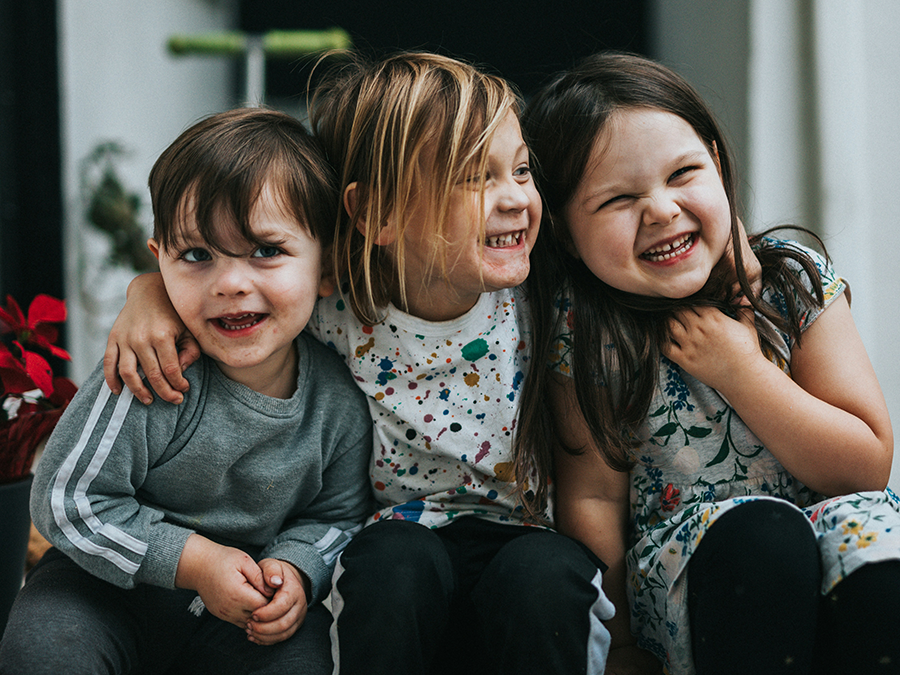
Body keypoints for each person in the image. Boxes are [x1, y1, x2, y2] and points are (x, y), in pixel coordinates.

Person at [95, 52, 623, 675]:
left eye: (521, 170)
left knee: (547, 575)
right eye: (476, 178)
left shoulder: (545, 299)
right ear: (377, 215)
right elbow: (244, 289)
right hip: (396, 539)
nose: (514, 198)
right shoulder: (341, 305)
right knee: (391, 564)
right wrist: (148, 293)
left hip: (524, 540)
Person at [518, 51, 900, 675]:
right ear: (564, 233)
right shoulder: (586, 331)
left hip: (829, 529)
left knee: (881, 554)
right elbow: (592, 498)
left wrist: (742, 372)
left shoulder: (790, 285)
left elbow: (864, 467)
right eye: (618, 199)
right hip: (695, 572)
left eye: (683, 173)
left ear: (718, 167)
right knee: (763, 541)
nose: (662, 209)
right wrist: (613, 646)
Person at [0, 107, 373, 675]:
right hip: (102, 589)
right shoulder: (149, 370)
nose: (229, 283)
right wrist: (194, 562)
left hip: (241, 606)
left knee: (298, 660)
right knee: (45, 647)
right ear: (160, 262)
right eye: (196, 256)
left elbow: (339, 514)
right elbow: (66, 501)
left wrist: (295, 569)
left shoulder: (338, 403)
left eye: (266, 251)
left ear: (327, 267)